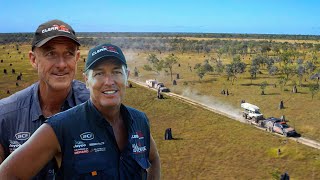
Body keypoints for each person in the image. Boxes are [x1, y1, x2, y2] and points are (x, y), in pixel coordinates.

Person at [0, 43, 161, 179]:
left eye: (117, 72)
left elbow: (153, 160)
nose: (109, 81)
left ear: (127, 77)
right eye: (99, 74)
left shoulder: (139, 120)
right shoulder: (61, 127)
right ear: (86, 80)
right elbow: (8, 174)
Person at [0, 19, 89, 179]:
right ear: (33, 59)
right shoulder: (6, 115)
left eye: (68, 54)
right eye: (51, 54)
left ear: (76, 58)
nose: (61, 64)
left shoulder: (94, 107)